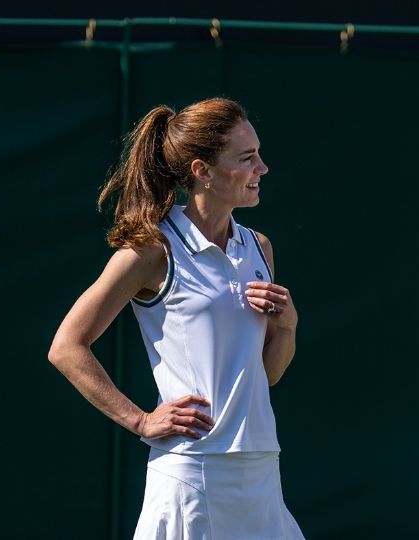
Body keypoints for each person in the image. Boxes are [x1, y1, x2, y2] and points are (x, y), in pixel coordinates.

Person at [48, 98, 305, 539]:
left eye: (259, 153)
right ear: (202, 171)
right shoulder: (151, 252)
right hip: (192, 475)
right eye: (247, 158)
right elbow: (66, 347)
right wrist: (140, 420)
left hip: (261, 470)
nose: (262, 168)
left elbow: (268, 375)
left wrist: (286, 326)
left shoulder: (259, 247)